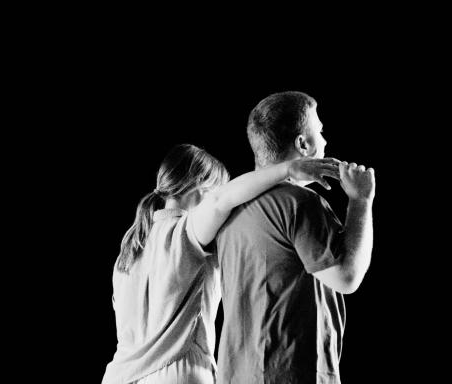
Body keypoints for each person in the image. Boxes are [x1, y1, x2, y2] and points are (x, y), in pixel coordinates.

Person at [102, 143, 341, 384]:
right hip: (176, 371)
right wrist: (289, 169)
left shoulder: (130, 250)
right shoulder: (184, 232)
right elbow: (220, 201)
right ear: (202, 186)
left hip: (118, 376)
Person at [215, 91, 376, 384]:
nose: (325, 141)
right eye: (321, 132)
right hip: (292, 372)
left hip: (233, 373)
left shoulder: (229, 206)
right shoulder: (301, 202)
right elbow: (347, 278)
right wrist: (361, 201)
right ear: (303, 143)